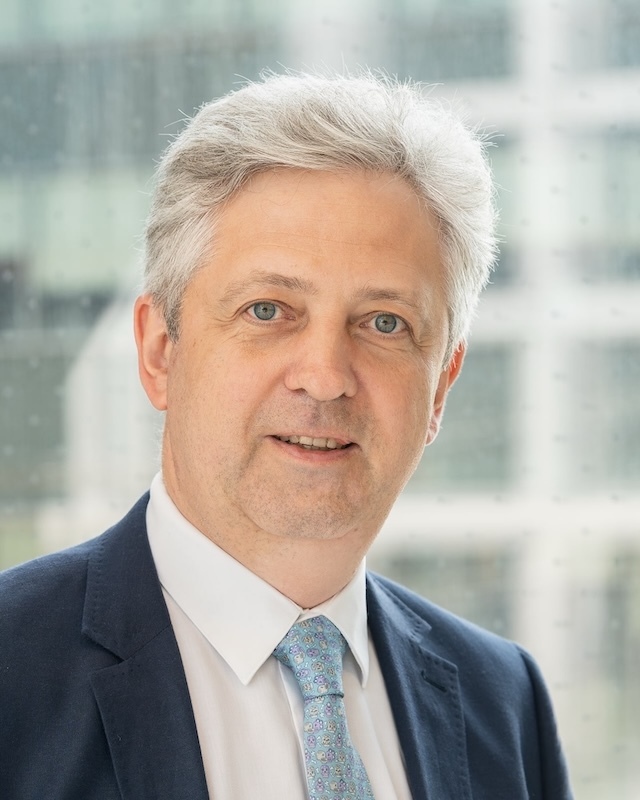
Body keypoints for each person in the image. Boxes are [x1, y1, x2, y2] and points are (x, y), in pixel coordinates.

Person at [0, 71, 573, 799]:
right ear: (160, 352)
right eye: (268, 311)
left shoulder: (504, 702)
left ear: (441, 387)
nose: (326, 376)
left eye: (385, 322)